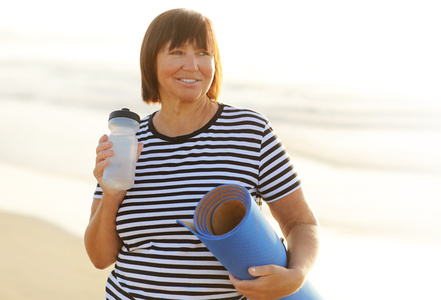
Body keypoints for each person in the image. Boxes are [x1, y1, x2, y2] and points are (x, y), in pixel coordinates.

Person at [84, 8, 320, 300]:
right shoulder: (128, 142)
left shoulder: (250, 131)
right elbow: (99, 257)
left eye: (204, 53)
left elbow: (301, 223)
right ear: (151, 62)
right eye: (178, 52)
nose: (192, 65)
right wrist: (111, 195)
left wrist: (295, 277)